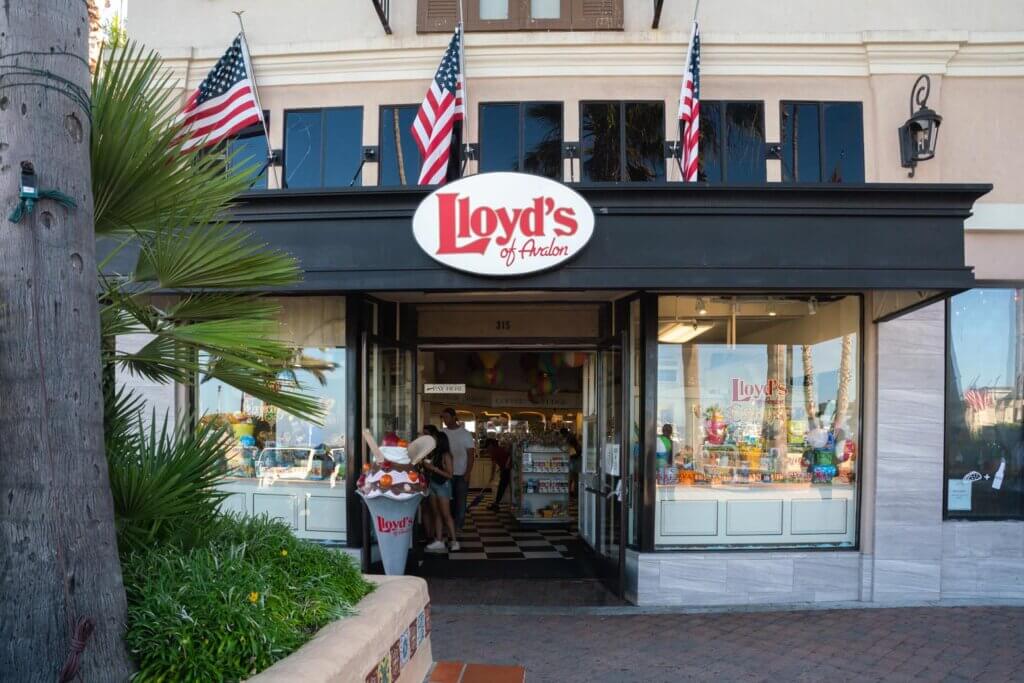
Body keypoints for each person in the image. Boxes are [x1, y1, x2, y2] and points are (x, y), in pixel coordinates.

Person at [421, 431, 459, 553]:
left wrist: (433, 468)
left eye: (434, 439)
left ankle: (454, 541)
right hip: (433, 484)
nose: (432, 442)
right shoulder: (435, 454)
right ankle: (439, 540)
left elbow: (450, 474)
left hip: (443, 485)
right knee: (436, 513)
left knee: (446, 514)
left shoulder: (446, 455)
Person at [441, 407, 476, 530]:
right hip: (446, 474)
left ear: (454, 417)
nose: (444, 419)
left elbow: (471, 456)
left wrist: (467, 473)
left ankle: (458, 526)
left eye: (446, 417)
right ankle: (449, 525)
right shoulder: (442, 432)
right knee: (447, 501)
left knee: (461, 501)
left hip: (461, 474)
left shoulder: (465, 434)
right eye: (443, 417)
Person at [484, 438, 512, 510]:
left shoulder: (494, 452)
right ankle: (497, 504)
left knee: (501, 487)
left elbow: (493, 466)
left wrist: (492, 476)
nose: (487, 449)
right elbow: (507, 456)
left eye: (487, 447)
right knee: (502, 487)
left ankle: (496, 504)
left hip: (507, 470)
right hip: (509, 469)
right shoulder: (499, 449)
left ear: (490, 445)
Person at [560, 427, 581, 501]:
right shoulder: (572, 438)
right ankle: (574, 495)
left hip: (574, 462)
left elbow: (572, 452)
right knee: (574, 479)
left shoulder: (570, 439)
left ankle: (572, 495)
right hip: (576, 462)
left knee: (572, 478)